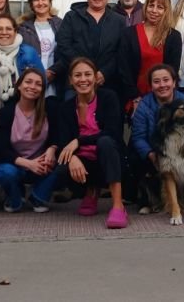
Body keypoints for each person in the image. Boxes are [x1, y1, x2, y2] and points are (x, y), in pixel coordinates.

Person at [55, 58, 129, 229]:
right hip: (85, 159)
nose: (83, 79)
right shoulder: (66, 107)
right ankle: (91, 191)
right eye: (77, 75)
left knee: (105, 142)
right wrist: (72, 157)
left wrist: (78, 141)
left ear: (96, 78)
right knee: (62, 167)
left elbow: (112, 133)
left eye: (88, 74)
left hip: (111, 157)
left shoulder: (109, 97)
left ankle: (118, 206)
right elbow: (63, 141)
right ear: (71, 80)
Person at [129, 64, 184, 214]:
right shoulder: (144, 105)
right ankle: (148, 201)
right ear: (151, 86)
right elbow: (138, 137)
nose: (162, 85)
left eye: (166, 80)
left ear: (174, 82)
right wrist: (152, 155)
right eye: (156, 81)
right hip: (157, 152)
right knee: (134, 155)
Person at [0, 68, 61, 213]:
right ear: (19, 85)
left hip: (42, 163)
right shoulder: (5, 113)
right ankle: (15, 198)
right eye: (28, 82)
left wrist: (52, 149)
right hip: (15, 163)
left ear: (42, 89)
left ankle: (38, 197)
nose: (32, 87)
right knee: (4, 172)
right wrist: (29, 164)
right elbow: (1, 149)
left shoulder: (50, 109)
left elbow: (58, 136)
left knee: (65, 163)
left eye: (38, 84)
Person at [54, 0, 125, 94]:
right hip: (76, 84)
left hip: (108, 84)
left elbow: (121, 52)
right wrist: (84, 71)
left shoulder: (119, 21)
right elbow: (64, 46)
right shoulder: (71, 17)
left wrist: (105, 72)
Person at [118, 0, 181, 112]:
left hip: (164, 98)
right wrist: (135, 97)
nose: (154, 11)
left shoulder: (173, 36)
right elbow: (123, 68)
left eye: (160, 7)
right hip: (136, 98)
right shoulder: (129, 34)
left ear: (166, 11)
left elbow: (173, 69)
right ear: (145, 7)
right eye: (151, 5)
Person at [18, 0, 63, 98]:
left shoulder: (61, 24)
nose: (40, 3)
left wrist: (53, 71)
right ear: (31, 4)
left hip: (57, 77)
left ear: (50, 2)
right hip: (32, 80)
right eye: (36, 0)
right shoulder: (23, 28)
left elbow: (66, 51)